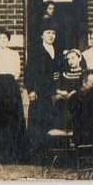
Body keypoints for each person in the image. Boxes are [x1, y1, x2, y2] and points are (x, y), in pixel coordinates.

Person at [24, 19, 62, 156]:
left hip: (53, 90)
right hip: (39, 90)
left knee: (51, 119)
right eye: (48, 33)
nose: (51, 36)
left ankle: (50, 152)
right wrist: (31, 90)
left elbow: (60, 68)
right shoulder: (36, 51)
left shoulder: (57, 50)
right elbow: (28, 72)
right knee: (38, 120)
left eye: (53, 33)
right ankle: (36, 154)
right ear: (42, 35)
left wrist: (59, 75)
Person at [0, 28, 25, 163]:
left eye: (4, 38)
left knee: (13, 119)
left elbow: (17, 72)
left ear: (8, 39)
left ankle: (13, 154)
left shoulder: (14, 54)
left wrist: (8, 80)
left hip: (11, 87)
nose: (2, 40)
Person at [55, 48, 85, 130]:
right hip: (64, 101)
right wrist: (60, 92)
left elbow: (82, 88)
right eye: (68, 59)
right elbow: (57, 87)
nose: (70, 61)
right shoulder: (64, 74)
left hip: (78, 102)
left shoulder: (84, 73)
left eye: (73, 58)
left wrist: (72, 94)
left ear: (79, 58)